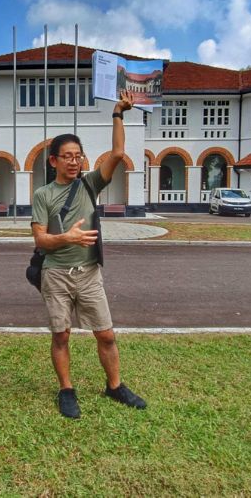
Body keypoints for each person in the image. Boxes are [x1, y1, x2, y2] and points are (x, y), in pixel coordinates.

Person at [29, 91, 147, 420]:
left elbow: (120, 153)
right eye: (66, 156)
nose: (73, 161)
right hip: (56, 275)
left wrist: (118, 113)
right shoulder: (43, 194)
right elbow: (39, 239)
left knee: (106, 334)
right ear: (52, 160)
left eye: (78, 156)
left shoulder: (89, 185)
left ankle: (114, 386)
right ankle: (66, 390)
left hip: (89, 273)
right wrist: (66, 237)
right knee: (61, 334)